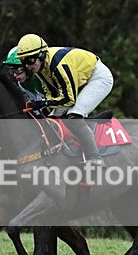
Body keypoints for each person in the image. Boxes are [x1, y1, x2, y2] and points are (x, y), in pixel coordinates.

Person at [15, 33, 113, 166]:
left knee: (74, 115)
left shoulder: (59, 65)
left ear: (42, 55)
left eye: (30, 61)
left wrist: (42, 103)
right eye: (23, 61)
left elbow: (68, 99)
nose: (27, 66)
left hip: (98, 77)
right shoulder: (42, 68)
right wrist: (43, 107)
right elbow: (51, 94)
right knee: (51, 117)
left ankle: (95, 157)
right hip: (80, 80)